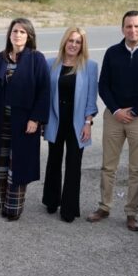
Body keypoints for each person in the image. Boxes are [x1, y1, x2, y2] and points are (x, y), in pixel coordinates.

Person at [87, 10, 138, 232]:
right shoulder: (112, 53)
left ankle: (132, 213)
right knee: (108, 166)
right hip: (114, 117)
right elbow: (104, 85)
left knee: (136, 169)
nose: (132, 30)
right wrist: (116, 110)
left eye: (137, 26)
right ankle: (104, 207)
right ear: (122, 29)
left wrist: (135, 110)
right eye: (128, 26)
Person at [0, 17, 50, 220]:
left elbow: (44, 92)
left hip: (23, 124)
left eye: (22, 32)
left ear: (29, 36)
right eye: (15, 31)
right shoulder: (1, 58)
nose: (18, 35)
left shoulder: (37, 59)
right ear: (9, 34)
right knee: (0, 163)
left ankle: (13, 208)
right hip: (1, 123)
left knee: (17, 165)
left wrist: (35, 119)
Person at [41, 26, 99, 222]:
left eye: (78, 42)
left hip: (77, 123)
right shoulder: (51, 64)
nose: (73, 45)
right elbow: (44, 95)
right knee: (53, 161)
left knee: (74, 165)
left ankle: (69, 208)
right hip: (55, 121)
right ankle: (51, 200)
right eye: (70, 40)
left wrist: (88, 122)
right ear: (64, 42)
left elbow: (91, 98)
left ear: (82, 45)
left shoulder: (90, 66)